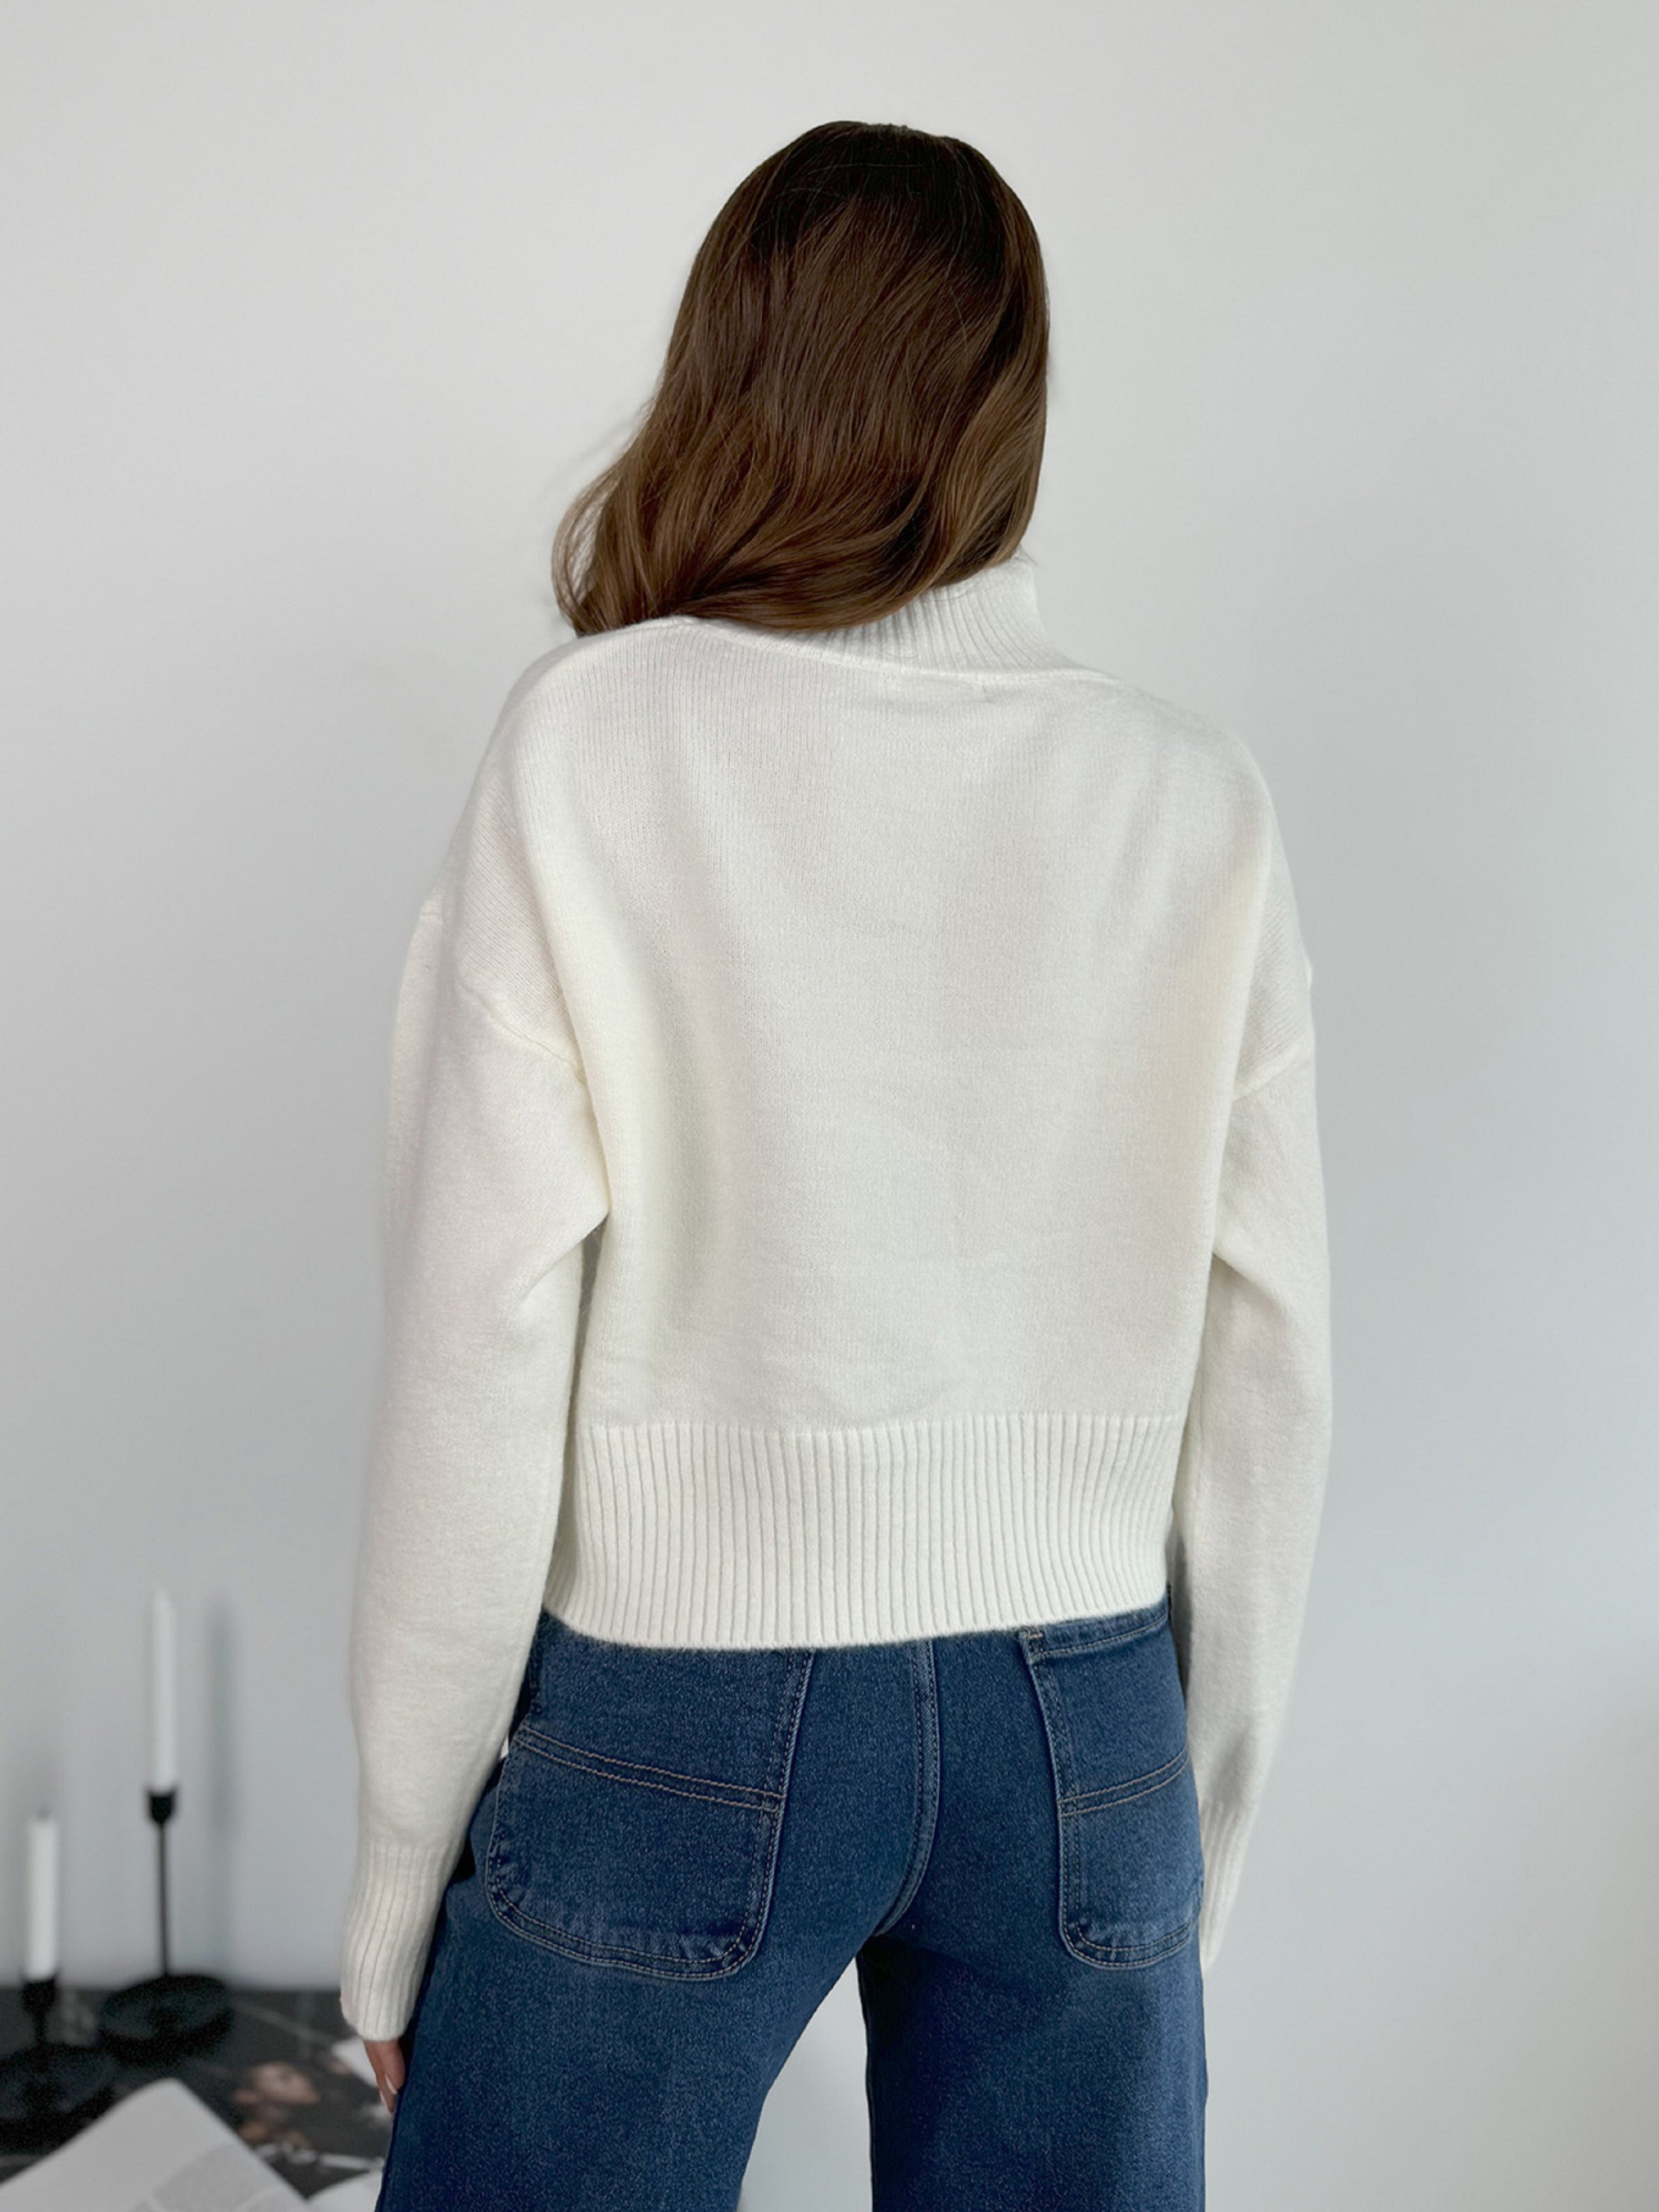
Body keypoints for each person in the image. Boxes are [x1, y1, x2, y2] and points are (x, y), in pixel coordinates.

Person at [339, 118, 1332, 2211]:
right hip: (1082, 1725)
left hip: (676, 1712)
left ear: (732, 364)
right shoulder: (1191, 802)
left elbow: (473, 1340)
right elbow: (1270, 1379)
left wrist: (401, 1872)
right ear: (1008, 399)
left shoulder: (590, 747)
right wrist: (1189, 1838)